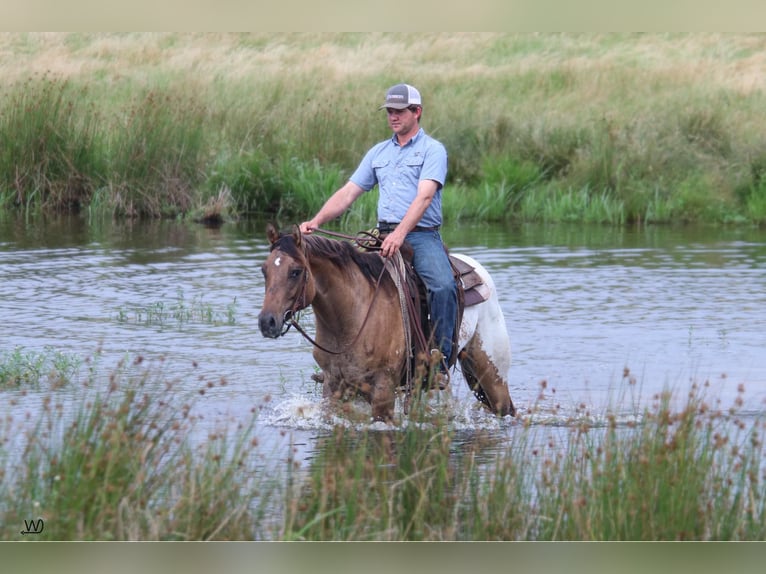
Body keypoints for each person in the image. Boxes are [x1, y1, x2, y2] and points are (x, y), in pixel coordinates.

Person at [299, 83, 457, 384]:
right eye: (389, 112)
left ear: (417, 112)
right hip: (382, 235)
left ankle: (439, 364)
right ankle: (340, 361)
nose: (393, 117)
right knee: (344, 279)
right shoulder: (379, 153)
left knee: (442, 286)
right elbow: (348, 193)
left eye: (399, 111)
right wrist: (316, 221)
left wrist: (400, 234)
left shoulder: (432, 151)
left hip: (421, 236)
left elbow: (424, 197)